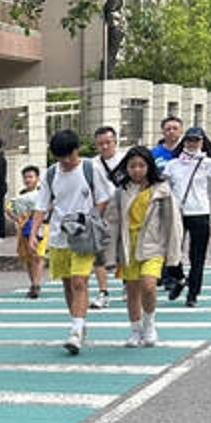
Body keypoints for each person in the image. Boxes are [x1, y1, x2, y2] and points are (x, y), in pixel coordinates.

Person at [30, 129, 113, 355]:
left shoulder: (90, 168)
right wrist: (34, 232)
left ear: (77, 150)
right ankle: (78, 321)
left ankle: (75, 332)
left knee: (80, 281)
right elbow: (41, 205)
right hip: (59, 236)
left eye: (69, 156)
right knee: (68, 283)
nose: (65, 162)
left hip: (84, 235)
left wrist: (90, 219)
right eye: (60, 158)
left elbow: (105, 198)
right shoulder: (50, 174)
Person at [105, 145, 183, 349]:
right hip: (128, 246)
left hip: (153, 245)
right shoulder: (121, 192)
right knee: (132, 291)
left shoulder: (162, 190)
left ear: (149, 166)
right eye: (132, 166)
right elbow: (112, 222)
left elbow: (172, 223)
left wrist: (173, 252)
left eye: (141, 165)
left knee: (148, 286)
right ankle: (135, 330)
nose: (137, 170)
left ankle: (150, 325)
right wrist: (109, 255)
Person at [161, 126, 211, 307]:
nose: (192, 144)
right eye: (189, 140)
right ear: (184, 141)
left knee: (197, 256)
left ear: (202, 142)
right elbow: (165, 190)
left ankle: (193, 293)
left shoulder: (209, 164)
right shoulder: (173, 165)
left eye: (196, 140)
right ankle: (179, 279)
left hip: (200, 212)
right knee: (171, 252)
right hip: (177, 213)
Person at [89, 126, 125, 309]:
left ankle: (128, 285)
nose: (104, 147)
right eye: (100, 144)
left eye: (108, 143)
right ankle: (103, 292)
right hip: (102, 210)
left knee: (125, 249)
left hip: (126, 208)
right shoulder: (91, 165)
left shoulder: (127, 160)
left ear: (115, 142)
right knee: (100, 253)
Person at [12, 164, 45, 297]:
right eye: (25, 177)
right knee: (28, 257)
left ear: (37, 178)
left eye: (31, 177)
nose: (28, 180)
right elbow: (10, 210)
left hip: (42, 226)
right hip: (25, 227)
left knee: (38, 256)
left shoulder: (43, 193)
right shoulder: (21, 195)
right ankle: (33, 284)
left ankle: (36, 285)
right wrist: (18, 219)